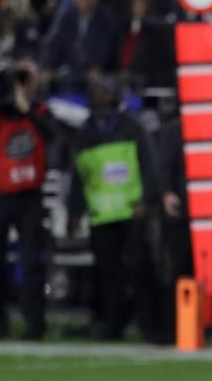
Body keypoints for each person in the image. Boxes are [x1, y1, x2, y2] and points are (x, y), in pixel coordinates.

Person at [66, 75, 163, 341]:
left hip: (132, 209)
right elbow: (79, 174)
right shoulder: (86, 132)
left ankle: (150, 325)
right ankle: (112, 324)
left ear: (115, 96)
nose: (96, 96)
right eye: (94, 91)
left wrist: (147, 199)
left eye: (102, 91)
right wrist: (75, 210)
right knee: (107, 273)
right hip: (103, 212)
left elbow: (149, 164)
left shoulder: (132, 127)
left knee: (141, 269)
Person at [0, 65, 51, 339]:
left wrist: (26, 107)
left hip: (30, 196)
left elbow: (51, 135)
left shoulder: (39, 112)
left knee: (32, 262)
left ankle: (34, 324)